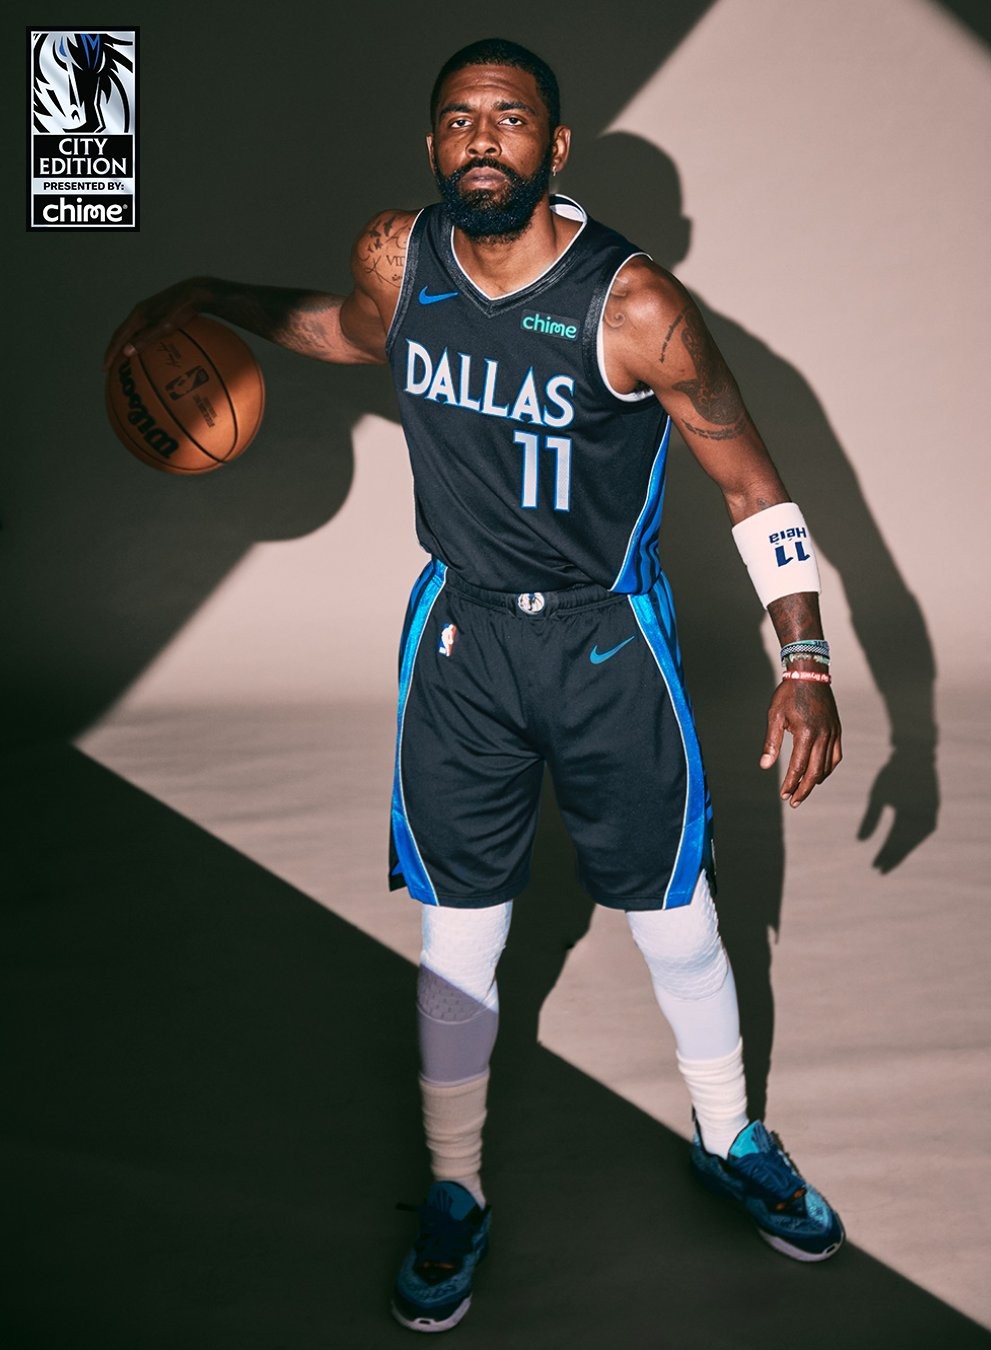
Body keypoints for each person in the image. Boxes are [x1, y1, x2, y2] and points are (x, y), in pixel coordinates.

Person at [107, 38, 845, 1334]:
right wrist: (211, 294)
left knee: (676, 918)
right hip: (462, 644)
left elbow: (751, 483)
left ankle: (730, 1134)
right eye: (459, 119)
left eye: (510, 118)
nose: (482, 137)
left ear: (555, 147)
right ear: (433, 144)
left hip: (609, 643)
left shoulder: (636, 308)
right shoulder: (402, 257)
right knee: (460, 939)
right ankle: (455, 1189)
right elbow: (347, 333)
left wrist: (805, 659)